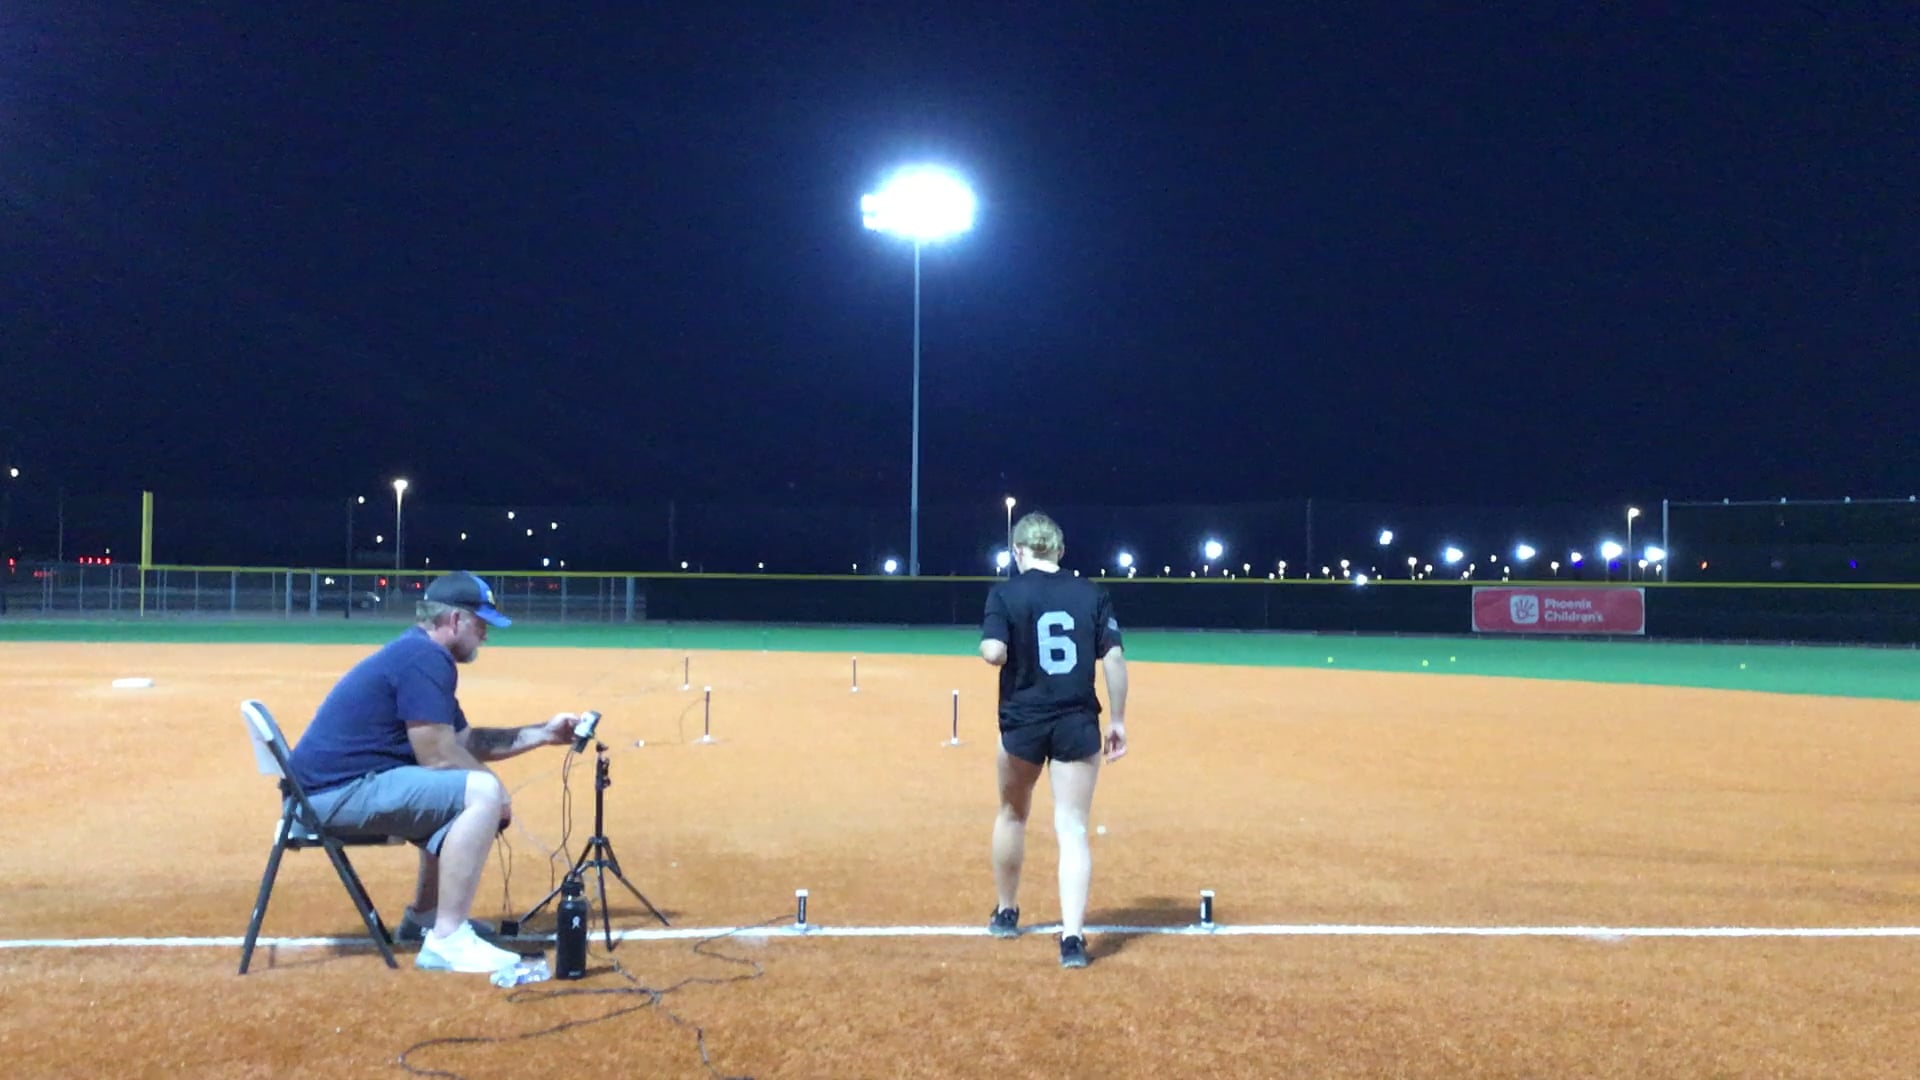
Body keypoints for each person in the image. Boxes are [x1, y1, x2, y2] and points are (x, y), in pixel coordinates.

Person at [287, 570, 581, 973]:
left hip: (326, 793)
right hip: (334, 796)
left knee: (463, 788)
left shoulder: (417, 653)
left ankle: (425, 918)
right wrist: (495, 791)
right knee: (479, 793)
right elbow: (437, 757)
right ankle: (447, 939)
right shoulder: (425, 658)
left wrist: (544, 733)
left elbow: (464, 741)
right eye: (481, 624)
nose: (486, 635)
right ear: (455, 620)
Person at [979, 512, 1128, 969]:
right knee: (1073, 827)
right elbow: (1114, 659)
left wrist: (994, 648)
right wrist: (1117, 720)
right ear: (1060, 551)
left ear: (1019, 551)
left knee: (1012, 813)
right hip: (1076, 722)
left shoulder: (1004, 593)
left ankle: (1007, 912)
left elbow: (994, 652)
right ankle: (1073, 938)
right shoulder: (1091, 593)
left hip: (1023, 721)